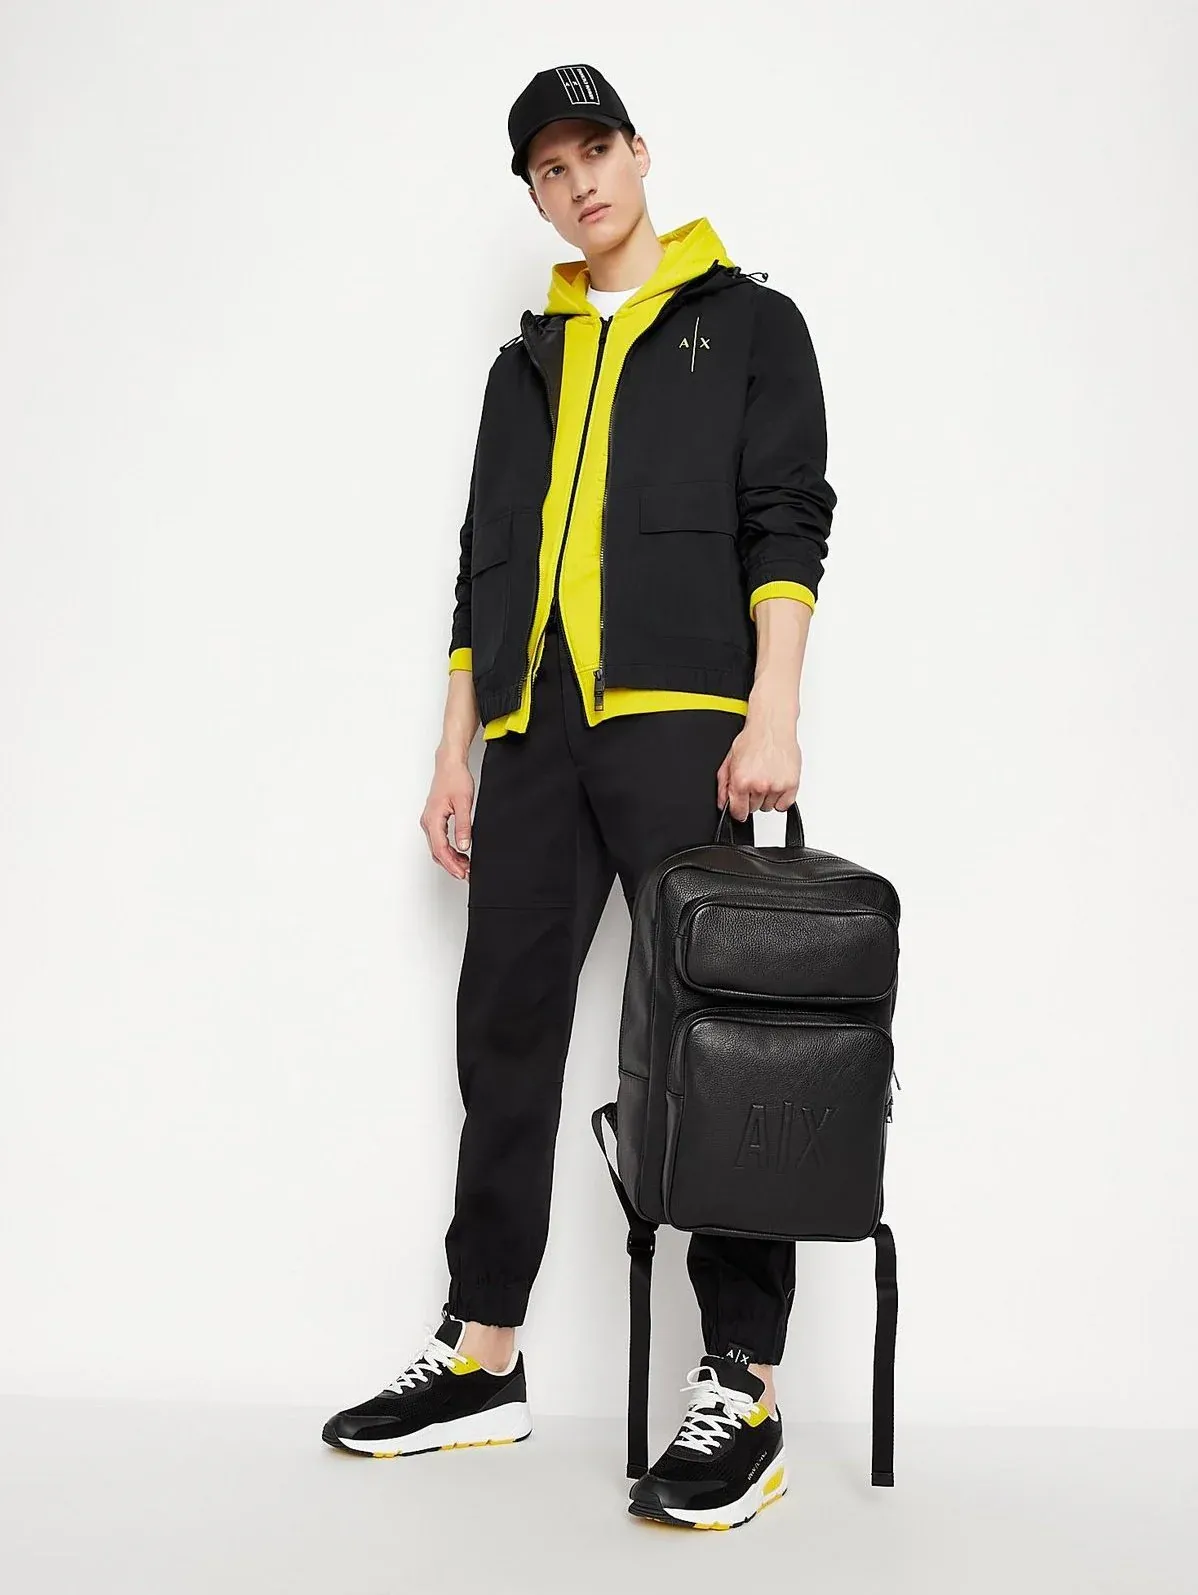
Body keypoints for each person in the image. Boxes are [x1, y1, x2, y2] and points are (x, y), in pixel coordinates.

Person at [323, 63, 837, 1532]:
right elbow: (482, 560)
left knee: (714, 1049)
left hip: (681, 722)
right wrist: (458, 746)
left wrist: (773, 708)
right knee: (504, 1032)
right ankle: (481, 1352)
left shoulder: (749, 323)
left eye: (594, 149)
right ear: (537, 198)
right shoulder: (524, 364)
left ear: (638, 152)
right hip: (530, 731)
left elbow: (785, 519)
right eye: (549, 169)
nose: (578, 182)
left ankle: (743, 1381)